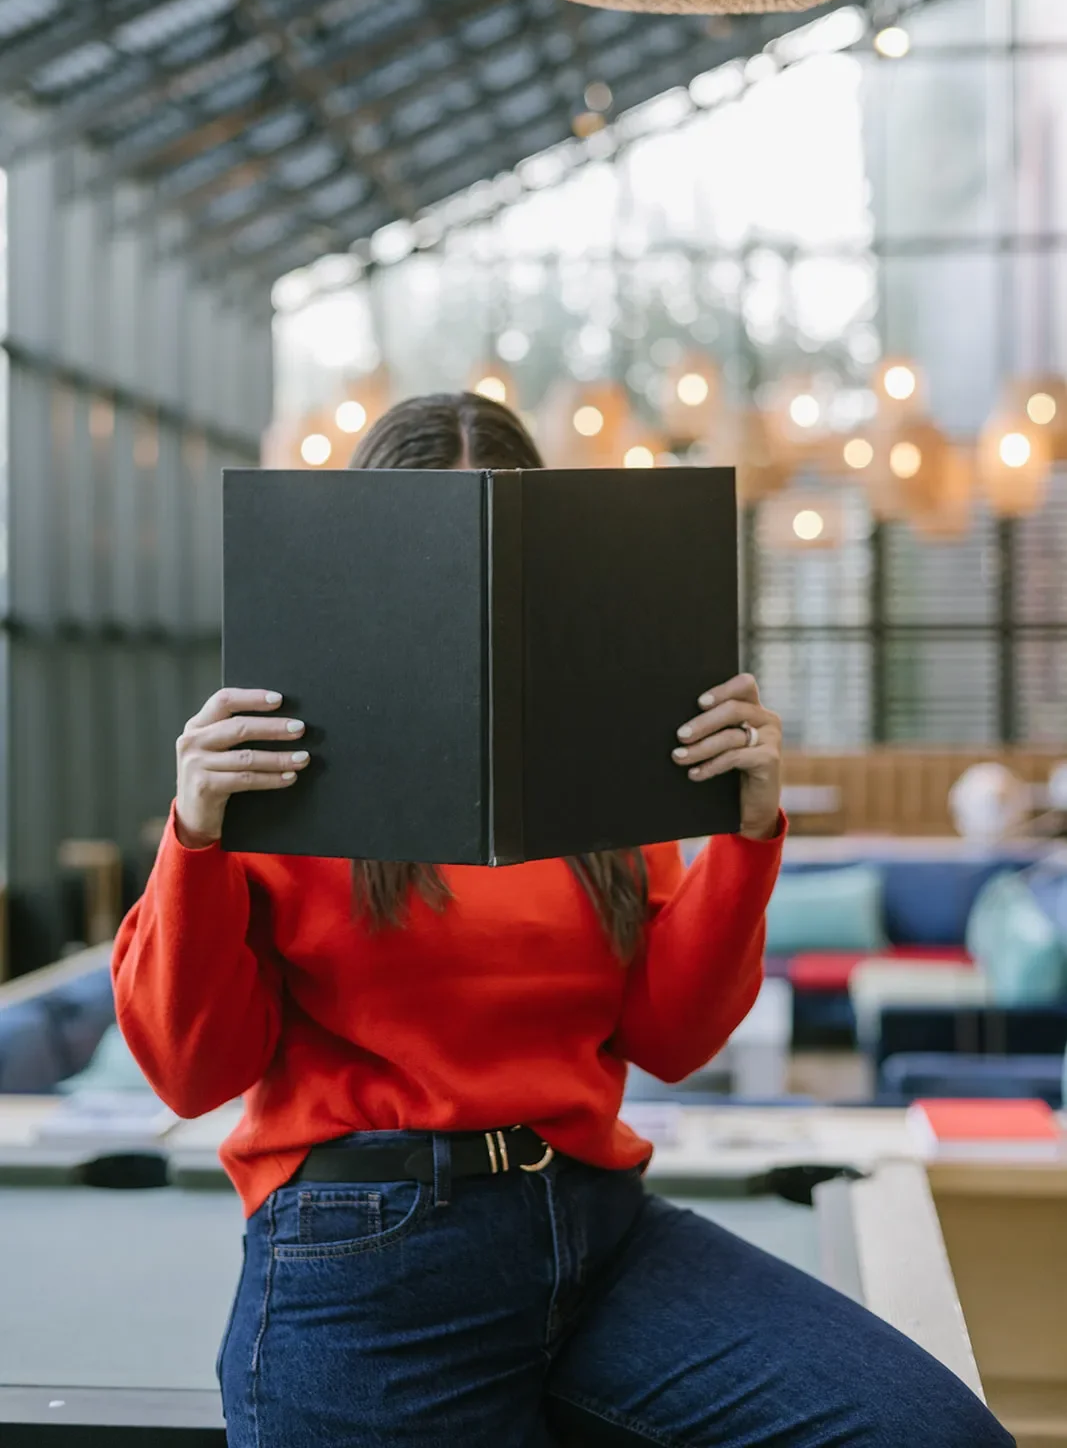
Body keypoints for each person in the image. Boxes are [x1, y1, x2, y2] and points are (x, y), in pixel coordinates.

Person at [112, 394, 1012, 1448]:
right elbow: (188, 1070)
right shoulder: (280, 764)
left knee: (929, 1433)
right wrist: (196, 834)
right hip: (365, 1250)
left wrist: (745, 831)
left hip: (595, 1225)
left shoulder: (603, 771)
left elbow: (672, 1040)